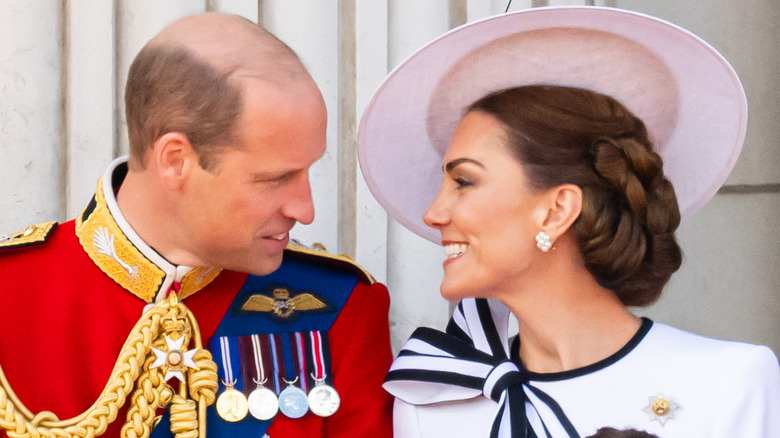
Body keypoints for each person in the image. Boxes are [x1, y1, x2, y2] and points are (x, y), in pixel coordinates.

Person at [357, 6, 780, 438]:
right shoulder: (430, 408)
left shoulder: (728, 385)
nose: (433, 214)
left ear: (557, 210)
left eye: (463, 181)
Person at [0, 13, 392, 438]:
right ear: (175, 161)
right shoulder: (10, 292)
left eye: (308, 171)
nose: (306, 209)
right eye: (276, 178)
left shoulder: (338, 307)